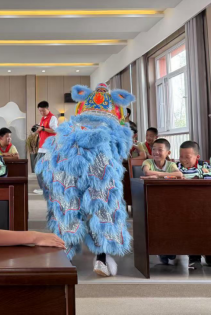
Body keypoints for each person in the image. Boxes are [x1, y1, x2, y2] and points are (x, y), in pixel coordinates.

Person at [36, 83, 134, 277]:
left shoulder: (69, 128)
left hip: (67, 168)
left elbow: (50, 155)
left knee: (67, 207)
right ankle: (102, 256)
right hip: (100, 166)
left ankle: (65, 251)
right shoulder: (114, 127)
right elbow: (121, 151)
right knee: (104, 207)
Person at [177, 141, 211, 270]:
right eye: (181, 156)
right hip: (183, 204)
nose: (183, 160)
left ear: (197, 156)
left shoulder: (205, 165)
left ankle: (208, 252)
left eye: (187, 157)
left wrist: (199, 175)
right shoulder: (176, 166)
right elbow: (175, 175)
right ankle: (194, 257)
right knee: (191, 226)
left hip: (204, 203)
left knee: (208, 225)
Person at [33, 101, 58, 195]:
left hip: (49, 148)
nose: (42, 112)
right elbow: (41, 131)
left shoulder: (52, 118)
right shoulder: (42, 119)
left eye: (43, 110)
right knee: (39, 169)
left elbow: (55, 130)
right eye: (40, 111)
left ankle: (46, 189)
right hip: (41, 147)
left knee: (44, 169)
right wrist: (38, 129)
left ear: (48, 108)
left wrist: (43, 128)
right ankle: (44, 188)